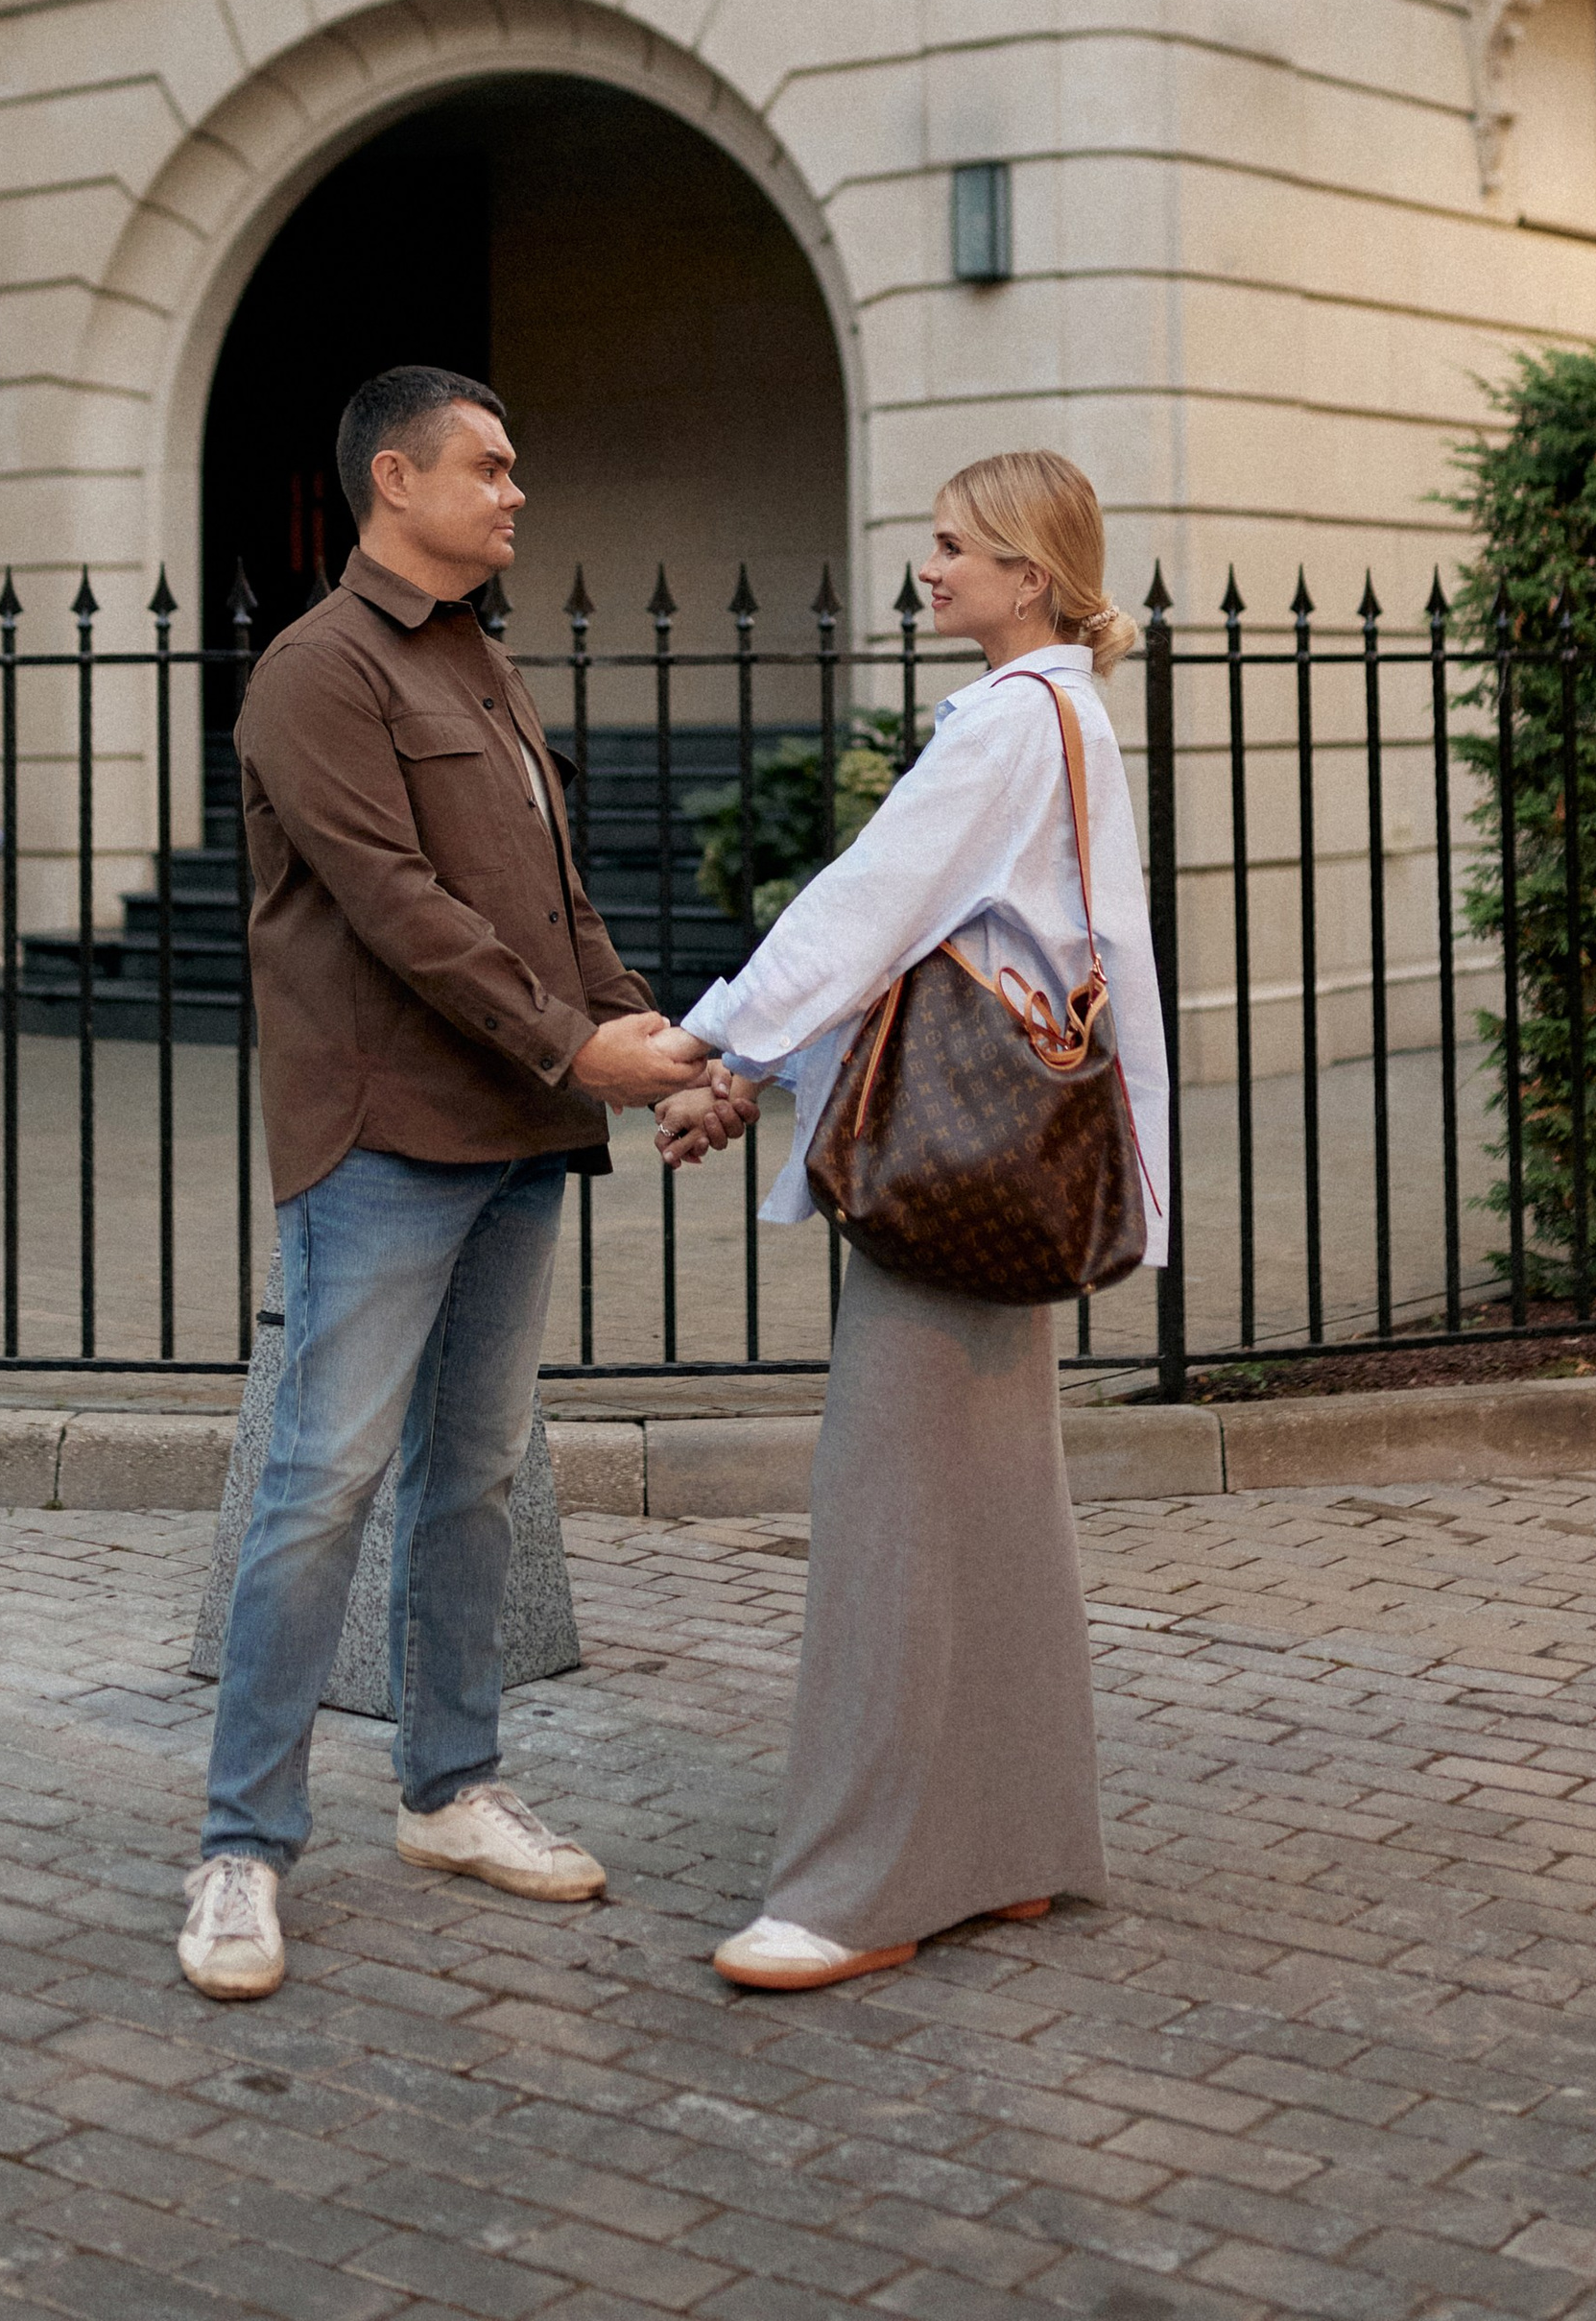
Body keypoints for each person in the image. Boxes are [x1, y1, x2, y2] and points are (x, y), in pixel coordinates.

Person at [178, 366, 712, 2001]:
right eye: (486, 466)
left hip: (518, 1137)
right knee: (322, 1483)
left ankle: (450, 1789)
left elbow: (545, 898)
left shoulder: (482, 661)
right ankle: (240, 1849)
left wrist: (665, 1046)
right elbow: (404, 912)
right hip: (386, 1141)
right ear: (392, 481)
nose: (515, 491)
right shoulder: (314, 672)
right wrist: (581, 1051)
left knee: (469, 1480)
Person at [654, 446, 1171, 1992]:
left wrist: (713, 1049)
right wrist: (750, 1072)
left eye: (956, 548)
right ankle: (1009, 1852)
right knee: (999, 1520)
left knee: (889, 1521)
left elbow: (864, 910)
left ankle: (859, 1889)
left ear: (1030, 571)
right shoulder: (1068, 716)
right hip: (1020, 1163)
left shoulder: (1009, 724)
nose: (928, 569)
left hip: (952, 1173)